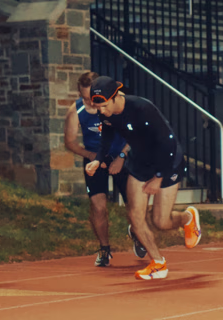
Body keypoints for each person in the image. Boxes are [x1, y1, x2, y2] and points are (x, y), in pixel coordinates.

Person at [86, 76, 201, 280]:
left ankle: (188, 218)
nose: (101, 111)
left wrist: (159, 177)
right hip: (140, 162)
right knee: (135, 215)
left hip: (168, 161)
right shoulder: (106, 114)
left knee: (160, 221)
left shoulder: (142, 108)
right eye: (97, 107)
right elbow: (107, 137)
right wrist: (98, 160)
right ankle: (158, 262)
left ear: (115, 97)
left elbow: (167, 142)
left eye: (103, 106)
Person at [64, 71, 146, 267]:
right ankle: (104, 249)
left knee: (134, 205)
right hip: (95, 159)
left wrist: (122, 156)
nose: (90, 103)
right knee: (98, 207)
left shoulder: (119, 103)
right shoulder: (76, 111)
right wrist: (92, 156)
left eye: (91, 98)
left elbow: (137, 132)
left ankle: (137, 232)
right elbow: (70, 142)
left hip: (122, 155)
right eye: (84, 98)